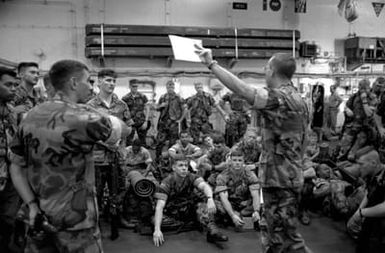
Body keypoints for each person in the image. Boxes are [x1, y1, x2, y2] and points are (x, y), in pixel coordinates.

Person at [195, 45, 311, 253]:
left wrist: (212, 64)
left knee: (289, 239)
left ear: (272, 70)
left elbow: (243, 90)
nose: (264, 71)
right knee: (273, 234)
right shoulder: (299, 99)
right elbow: (305, 138)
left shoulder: (280, 98)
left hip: (280, 180)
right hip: (286, 176)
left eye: (266, 68)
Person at [9, 60, 130, 252]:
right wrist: (105, 116)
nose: (91, 87)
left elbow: (16, 166)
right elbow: (123, 131)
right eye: (88, 81)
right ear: (74, 83)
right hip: (77, 221)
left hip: (39, 217)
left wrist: (32, 205)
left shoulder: (29, 117)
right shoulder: (85, 117)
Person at [87, 69, 133, 238]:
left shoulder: (121, 105)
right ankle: (95, 225)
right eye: (108, 80)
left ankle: (116, 221)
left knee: (119, 190)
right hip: (98, 158)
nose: (111, 83)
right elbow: (87, 132)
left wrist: (121, 141)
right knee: (96, 193)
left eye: (114, 81)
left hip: (117, 157)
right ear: (99, 82)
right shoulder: (91, 106)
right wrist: (106, 143)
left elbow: (129, 127)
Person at [153, 157, 228, 247]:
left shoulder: (191, 176)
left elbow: (204, 186)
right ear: (173, 168)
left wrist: (210, 198)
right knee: (154, 221)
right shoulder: (167, 182)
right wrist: (157, 230)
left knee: (202, 206)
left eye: (186, 165)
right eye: (180, 166)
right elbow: (159, 206)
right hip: (173, 212)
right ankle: (194, 223)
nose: (184, 168)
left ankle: (213, 231)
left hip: (189, 208)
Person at [347, 150, 385, 252]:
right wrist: (358, 213)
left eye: (361, 164)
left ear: (373, 163)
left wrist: (361, 213)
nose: (358, 167)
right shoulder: (372, 174)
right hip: (372, 217)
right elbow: (369, 193)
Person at [0, 67, 21, 251]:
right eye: (8, 85)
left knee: (9, 219)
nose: (14, 88)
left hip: (10, 175)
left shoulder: (11, 111)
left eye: (15, 85)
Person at [215, 150, 260, 231]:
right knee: (218, 206)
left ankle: (252, 217)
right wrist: (232, 215)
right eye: (234, 160)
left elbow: (255, 195)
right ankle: (231, 217)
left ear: (243, 161)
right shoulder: (223, 176)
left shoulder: (250, 174)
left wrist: (256, 210)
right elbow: (223, 198)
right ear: (230, 161)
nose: (237, 163)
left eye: (240, 160)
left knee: (263, 206)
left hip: (244, 203)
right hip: (230, 203)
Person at [156, 80, 186, 159]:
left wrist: (180, 119)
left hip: (173, 124)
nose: (170, 88)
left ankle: (171, 161)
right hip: (163, 123)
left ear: (174, 87)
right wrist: (161, 106)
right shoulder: (162, 97)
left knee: (172, 144)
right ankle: (158, 159)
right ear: (166, 87)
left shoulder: (178, 97)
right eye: (169, 86)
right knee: (159, 142)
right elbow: (156, 108)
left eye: (172, 87)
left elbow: (185, 109)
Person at [122, 79, 150, 146]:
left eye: (136, 86)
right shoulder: (125, 98)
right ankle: (129, 156)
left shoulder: (142, 96)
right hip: (130, 123)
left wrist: (146, 121)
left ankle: (143, 156)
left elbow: (147, 108)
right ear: (130, 86)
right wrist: (127, 120)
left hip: (141, 122)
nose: (135, 88)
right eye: (133, 86)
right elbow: (123, 111)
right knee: (129, 142)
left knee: (142, 142)